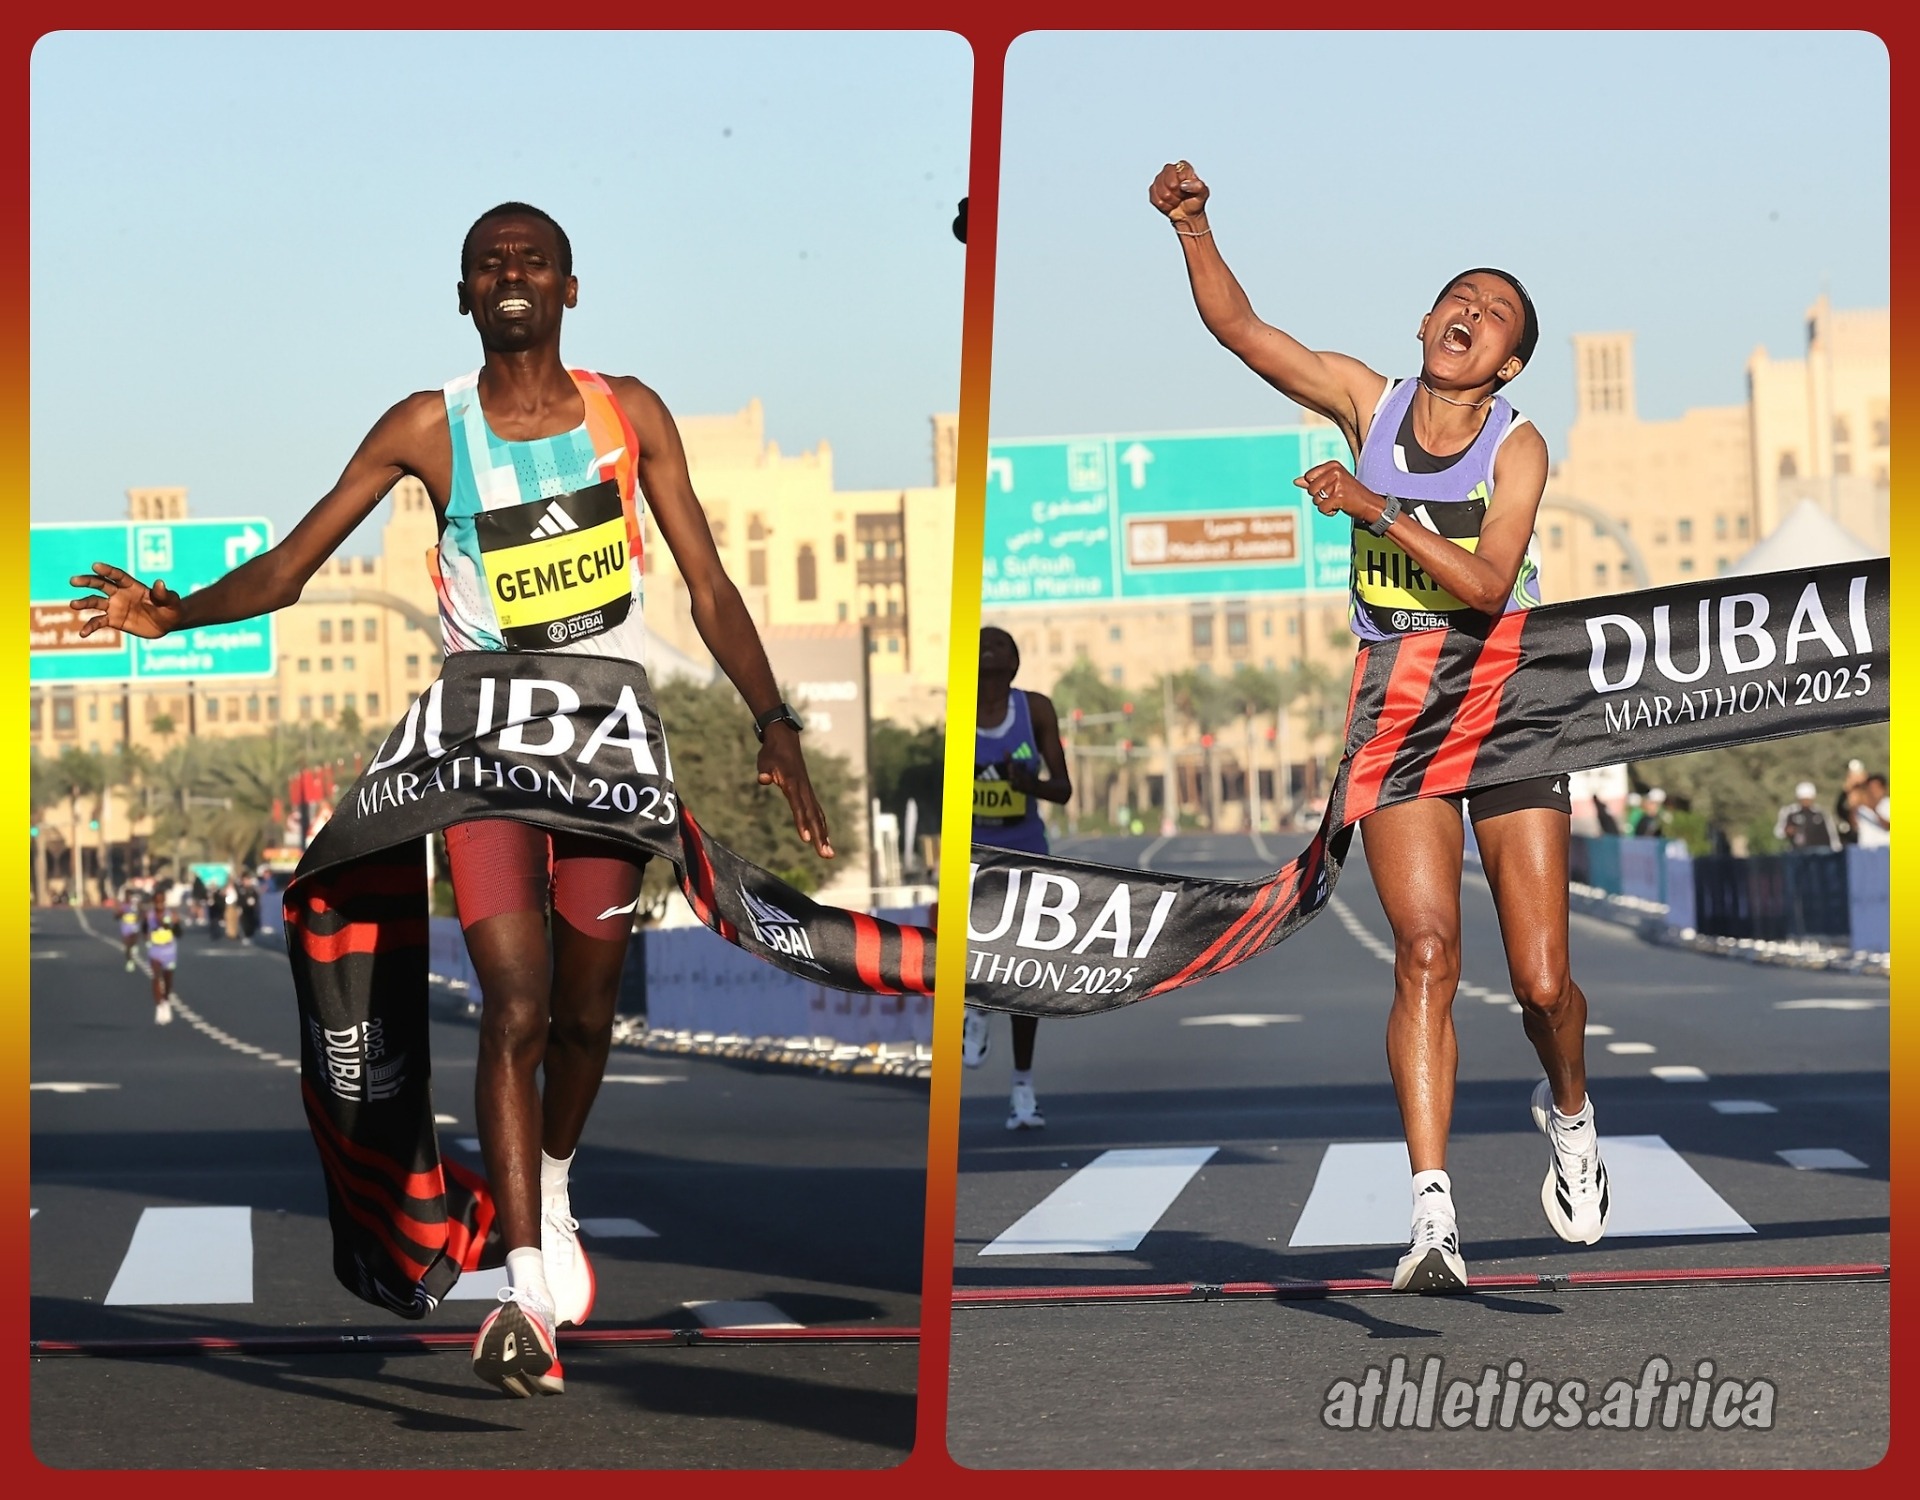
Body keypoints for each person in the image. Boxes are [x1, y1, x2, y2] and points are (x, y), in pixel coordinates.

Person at [70, 202, 836, 1397]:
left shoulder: (629, 414)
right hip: (480, 733)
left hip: (602, 731)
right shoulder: (427, 427)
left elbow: (707, 581)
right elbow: (290, 567)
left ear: (571, 290)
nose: (512, 273)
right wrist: (171, 613)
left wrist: (773, 720)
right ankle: (523, 1287)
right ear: (464, 294)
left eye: (533, 259)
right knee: (515, 1003)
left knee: (586, 1015)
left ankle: (560, 1183)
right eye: (490, 263)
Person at [1152, 160, 1607, 1293]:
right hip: (1398, 701)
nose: (1470, 314)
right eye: (1460, 296)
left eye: (1495, 313)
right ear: (1426, 321)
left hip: (1506, 696)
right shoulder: (1369, 399)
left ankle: (1571, 1111)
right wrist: (1196, 230)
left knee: (1543, 980)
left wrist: (1380, 510)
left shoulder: (1517, 443)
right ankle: (1432, 1217)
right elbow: (1243, 331)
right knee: (1425, 951)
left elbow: (1494, 585)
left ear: (1507, 361)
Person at [962, 626, 1072, 1129]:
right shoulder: (957, 714)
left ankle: (1023, 1088)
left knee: (1025, 970)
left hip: (1027, 848)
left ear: (1014, 662)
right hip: (974, 852)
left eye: (999, 644)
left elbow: (1063, 789)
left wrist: (1030, 785)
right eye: (980, 642)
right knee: (977, 953)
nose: (988, 647)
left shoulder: (1036, 710)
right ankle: (975, 1011)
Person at [1775, 782, 1841, 852]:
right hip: (1798, 852)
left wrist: (1837, 848)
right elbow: (1779, 831)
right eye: (1803, 799)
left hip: (1820, 852)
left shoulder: (1821, 813)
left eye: (1808, 799)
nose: (1806, 802)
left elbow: (1832, 833)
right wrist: (1787, 832)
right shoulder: (1790, 812)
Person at [145, 902, 176, 1026]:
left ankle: (166, 1000)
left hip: (169, 951)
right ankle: (159, 1007)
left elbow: (178, 932)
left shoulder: (170, 915)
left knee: (167, 979)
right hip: (155, 950)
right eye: (157, 901)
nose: (159, 904)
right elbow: (144, 929)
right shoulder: (150, 915)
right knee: (156, 976)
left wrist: (173, 923)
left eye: (161, 901)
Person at [1852, 774, 1890, 850]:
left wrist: (1874, 810)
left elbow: (1889, 826)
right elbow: (1854, 826)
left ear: (1883, 789)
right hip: (1865, 850)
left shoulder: (1888, 804)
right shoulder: (1861, 808)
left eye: (1875, 788)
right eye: (1870, 788)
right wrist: (1855, 804)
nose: (1872, 791)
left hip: (1885, 849)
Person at [118, 892, 145, 972]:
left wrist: (139, 917)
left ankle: (134, 945)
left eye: (129, 896)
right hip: (125, 927)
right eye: (126, 896)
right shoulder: (123, 905)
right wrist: (120, 913)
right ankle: (130, 961)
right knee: (127, 946)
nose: (128, 898)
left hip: (134, 926)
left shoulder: (136, 904)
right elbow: (116, 915)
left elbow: (142, 912)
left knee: (133, 940)